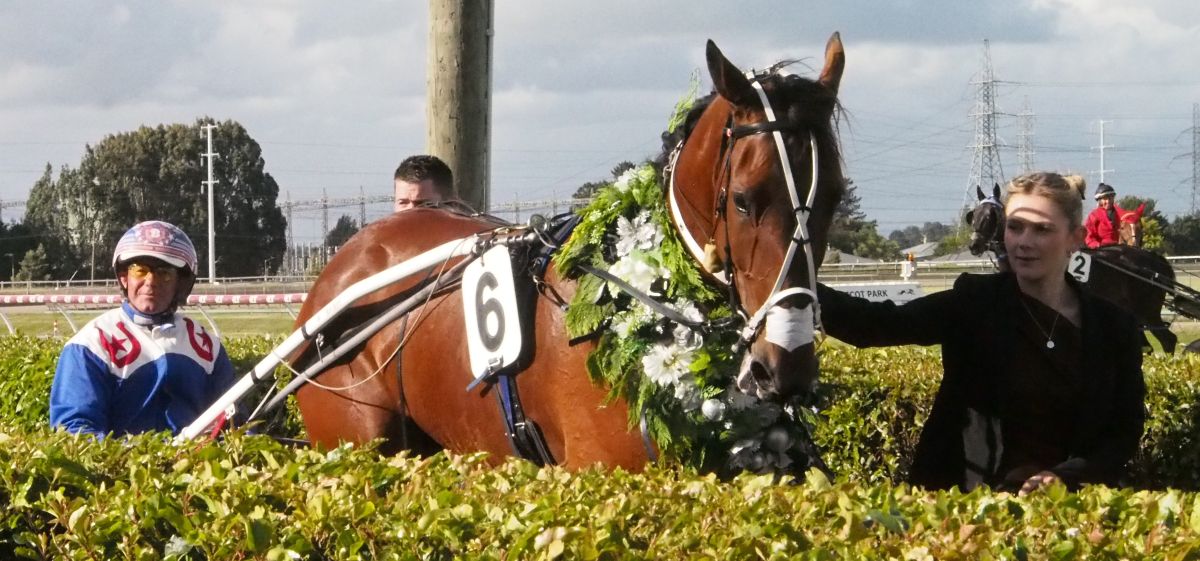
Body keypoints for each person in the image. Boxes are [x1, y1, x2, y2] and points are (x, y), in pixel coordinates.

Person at [818, 172, 1144, 494]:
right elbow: (876, 324)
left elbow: (1123, 433)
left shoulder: (1114, 328)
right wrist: (793, 286)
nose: (1024, 242)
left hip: (1071, 516)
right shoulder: (973, 302)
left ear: (1076, 237)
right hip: (962, 510)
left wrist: (1065, 479)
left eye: (1042, 230)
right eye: (1015, 227)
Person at [49, 220, 236, 437]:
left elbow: (235, 421)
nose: (151, 281)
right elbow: (74, 429)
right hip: (122, 469)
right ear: (123, 277)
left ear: (180, 283)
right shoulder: (90, 344)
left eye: (164, 272)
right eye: (140, 270)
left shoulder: (207, 346)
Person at [1084, 182, 1125, 248]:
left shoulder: (1120, 214)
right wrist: (1097, 245)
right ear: (1099, 200)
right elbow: (1089, 236)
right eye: (1105, 199)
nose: (1108, 201)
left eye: (1110, 198)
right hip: (1101, 250)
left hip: (1119, 249)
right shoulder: (1094, 215)